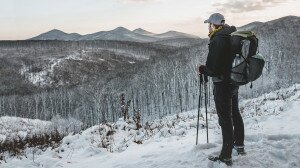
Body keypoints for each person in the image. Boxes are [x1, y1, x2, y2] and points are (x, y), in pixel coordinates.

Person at [197, 13, 246, 166]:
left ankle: (226, 155)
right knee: (235, 113)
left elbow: (213, 68)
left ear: (214, 25)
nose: (208, 26)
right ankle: (239, 145)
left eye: (209, 24)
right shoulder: (230, 34)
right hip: (233, 81)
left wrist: (201, 69)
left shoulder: (218, 39)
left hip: (222, 83)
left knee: (225, 119)